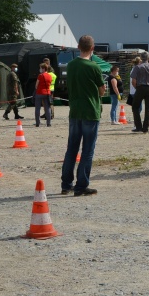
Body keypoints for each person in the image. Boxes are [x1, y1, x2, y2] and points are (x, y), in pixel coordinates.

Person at [61, 35, 106, 196]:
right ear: (92, 48)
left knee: (71, 148)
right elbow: (102, 90)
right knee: (87, 150)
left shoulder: (71, 65)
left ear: (78, 47)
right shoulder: (94, 67)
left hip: (75, 111)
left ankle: (66, 184)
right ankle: (81, 185)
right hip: (90, 111)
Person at [130, 51, 149, 133]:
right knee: (148, 108)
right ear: (148, 58)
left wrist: (137, 88)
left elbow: (133, 81)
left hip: (140, 87)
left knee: (135, 107)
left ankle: (138, 126)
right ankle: (145, 128)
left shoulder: (137, 67)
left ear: (141, 57)